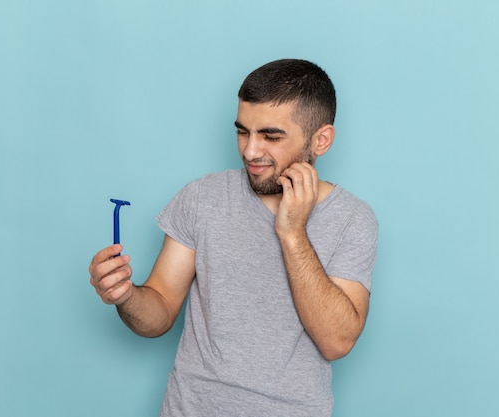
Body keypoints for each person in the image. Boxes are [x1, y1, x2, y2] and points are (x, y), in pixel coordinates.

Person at [89, 59, 378, 417]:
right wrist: (126, 296)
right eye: (243, 131)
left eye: (271, 136)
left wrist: (292, 233)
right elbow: (159, 311)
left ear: (321, 140)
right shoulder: (201, 198)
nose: (250, 151)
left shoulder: (352, 218)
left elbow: (337, 341)